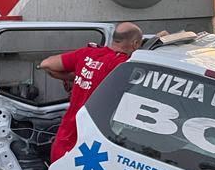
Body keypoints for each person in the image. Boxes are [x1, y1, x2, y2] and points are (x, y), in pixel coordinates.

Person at [41, 21, 143, 162]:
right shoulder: (124, 66)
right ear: (136, 43)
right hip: (92, 145)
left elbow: (46, 64)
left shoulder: (87, 54)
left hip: (64, 139)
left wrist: (77, 76)